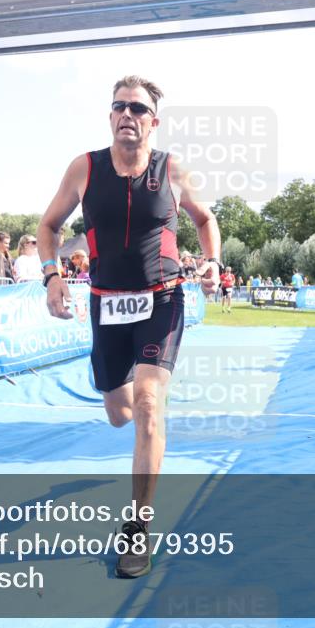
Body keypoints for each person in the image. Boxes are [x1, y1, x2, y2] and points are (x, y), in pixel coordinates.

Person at [37, 75, 220, 579]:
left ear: (152, 122)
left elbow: (205, 219)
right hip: (106, 305)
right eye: (119, 106)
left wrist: (212, 261)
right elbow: (48, 226)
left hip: (162, 298)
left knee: (147, 406)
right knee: (119, 412)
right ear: (110, 116)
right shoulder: (85, 167)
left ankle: (138, 527)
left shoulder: (172, 169)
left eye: (138, 109)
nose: (127, 115)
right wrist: (52, 276)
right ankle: (137, 427)